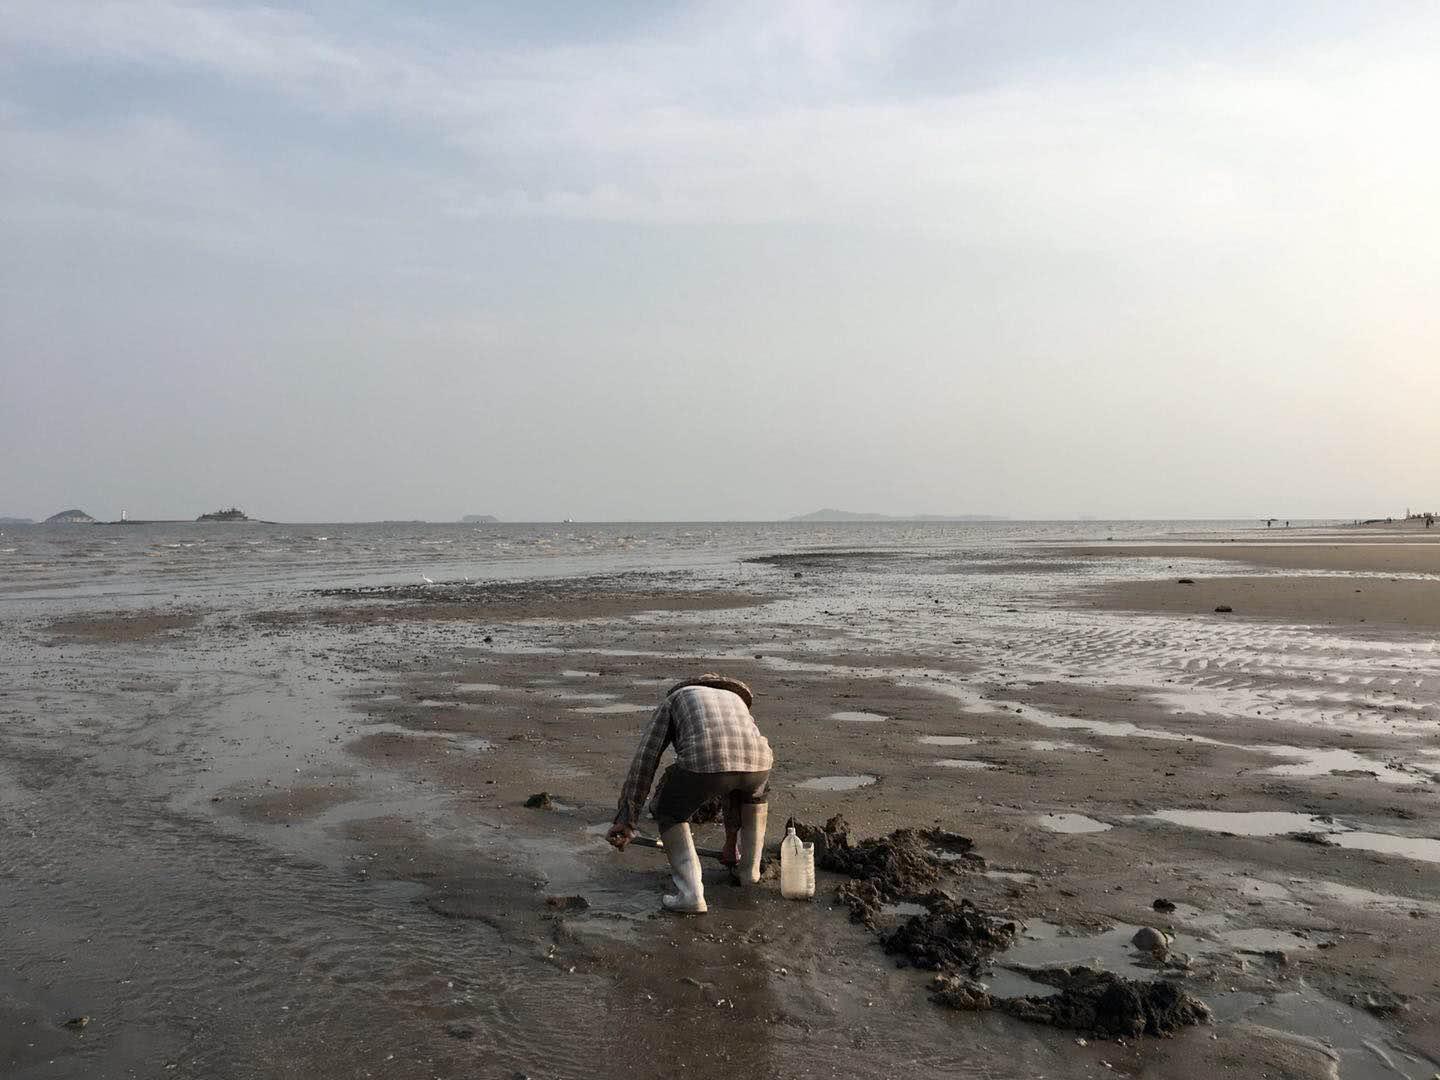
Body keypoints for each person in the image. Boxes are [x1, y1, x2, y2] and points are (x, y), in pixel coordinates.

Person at [607, 675, 772, 913]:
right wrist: (729, 844)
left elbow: (645, 761)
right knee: (752, 795)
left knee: (670, 812)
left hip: (703, 761)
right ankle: (749, 872)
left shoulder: (675, 699)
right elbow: (733, 784)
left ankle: (690, 894)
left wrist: (626, 819)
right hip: (760, 761)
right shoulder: (736, 700)